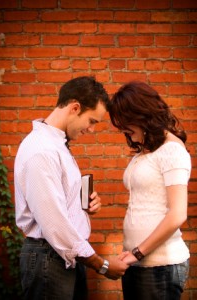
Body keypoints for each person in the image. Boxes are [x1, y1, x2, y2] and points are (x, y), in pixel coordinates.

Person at [14, 76, 128, 300]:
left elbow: (57, 204)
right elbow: (54, 224)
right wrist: (102, 265)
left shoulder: (57, 145)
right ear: (75, 107)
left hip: (65, 257)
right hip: (50, 258)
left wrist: (83, 204)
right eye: (92, 121)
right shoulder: (42, 150)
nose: (91, 130)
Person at [109, 81, 191, 300]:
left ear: (141, 115)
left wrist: (137, 252)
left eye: (125, 123)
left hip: (160, 266)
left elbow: (177, 214)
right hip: (137, 262)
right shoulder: (147, 149)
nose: (121, 129)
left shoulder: (172, 150)